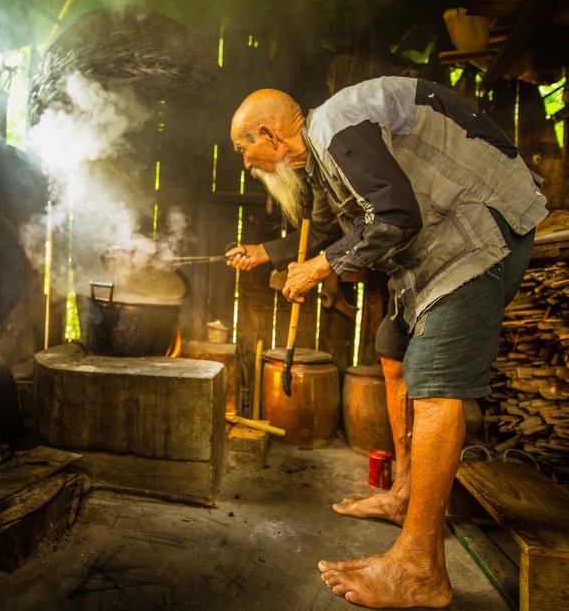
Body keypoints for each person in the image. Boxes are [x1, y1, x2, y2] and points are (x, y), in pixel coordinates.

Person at [225, 76, 547, 608]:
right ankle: (403, 495)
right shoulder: (326, 156)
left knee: (435, 381)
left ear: (270, 135)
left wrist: (318, 270)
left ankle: (421, 568)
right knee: (391, 348)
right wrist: (271, 255)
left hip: (477, 234)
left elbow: (395, 215)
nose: (246, 163)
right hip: (437, 248)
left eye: (245, 150)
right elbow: (339, 232)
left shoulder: (334, 125)